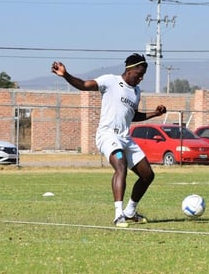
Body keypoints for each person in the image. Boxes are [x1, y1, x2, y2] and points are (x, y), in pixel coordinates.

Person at [51, 53, 167, 228]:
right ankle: (118, 214)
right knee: (120, 166)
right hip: (107, 135)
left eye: (143, 75)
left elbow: (133, 115)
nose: (141, 78)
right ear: (129, 70)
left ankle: (129, 212)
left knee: (147, 175)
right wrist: (65, 74)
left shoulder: (136, 92)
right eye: (139, 74)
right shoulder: (110, 81)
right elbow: (83, 85)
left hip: (125, 138)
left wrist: (154, 114)